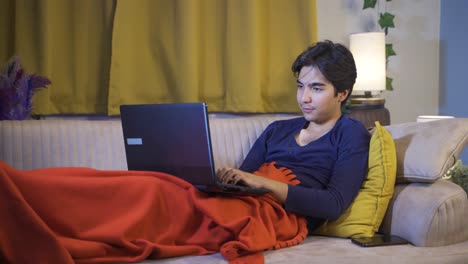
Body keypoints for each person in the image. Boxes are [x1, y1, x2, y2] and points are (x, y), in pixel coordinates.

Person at [217, 40, 371, 231]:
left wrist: (264, 183)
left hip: (279, 217)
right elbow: (242, 184)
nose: (304, 98)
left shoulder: (351, 134)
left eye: (316, 88)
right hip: (247, 204)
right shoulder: (277, 130)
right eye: (300, 86)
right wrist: (226, 178)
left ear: (342, 93)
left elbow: (334, 204)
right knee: (173, 189)